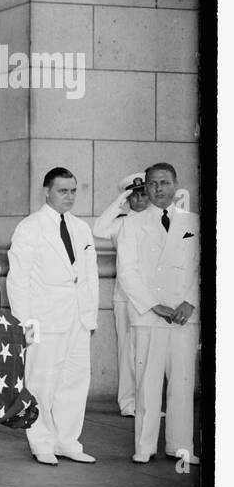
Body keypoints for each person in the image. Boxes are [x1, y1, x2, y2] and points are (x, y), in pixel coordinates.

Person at [5, 167, 99, 466]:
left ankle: (67, 441)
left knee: (74, 382)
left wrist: (90, 316)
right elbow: (17, 279)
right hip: (45, 319)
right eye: (62, 190)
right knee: (42, 383)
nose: (69, 196)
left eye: (73, 190)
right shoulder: (30, 227)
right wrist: (27, 324)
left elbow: (90, 276)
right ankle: (41, 442)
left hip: (77, 319)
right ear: (47, 191)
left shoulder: (81, 228)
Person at [116, 163, 199, 465]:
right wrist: (154, 305)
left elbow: (201, 266)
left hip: (183, 315)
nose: (158, 188)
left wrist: (190, 301)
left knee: (182, 382)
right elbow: (127, 272)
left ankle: (180, 446)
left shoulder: (193, 222)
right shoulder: (132, 224)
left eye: (164, 182)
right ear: (146, 187)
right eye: (152, 183)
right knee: (147, 384)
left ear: (176, 185)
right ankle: (145, 445)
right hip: (149, 314)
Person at [93, 171, 151, 417]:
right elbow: (98, 228)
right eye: (134, 195)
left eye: (143, 194)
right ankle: (128, 402)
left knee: (148, 352)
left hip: (151, 300)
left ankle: (147, 403)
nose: (139, 200)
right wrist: (120, 200)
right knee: (127, 350)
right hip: (125, 297)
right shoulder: (120, 222)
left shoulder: (159, 221)